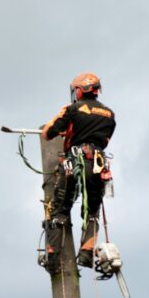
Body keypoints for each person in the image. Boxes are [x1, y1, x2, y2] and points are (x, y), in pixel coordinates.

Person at [41, 71, 117, 268]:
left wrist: (60, 115)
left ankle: (53, 258)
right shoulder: (109, 114)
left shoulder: (72, 109)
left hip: (73, 162)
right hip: (97, 164)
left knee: (59, 209)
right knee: (92, 210)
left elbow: (48, 133)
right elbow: (105, 141)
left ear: (79, 91)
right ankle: (86, 252)